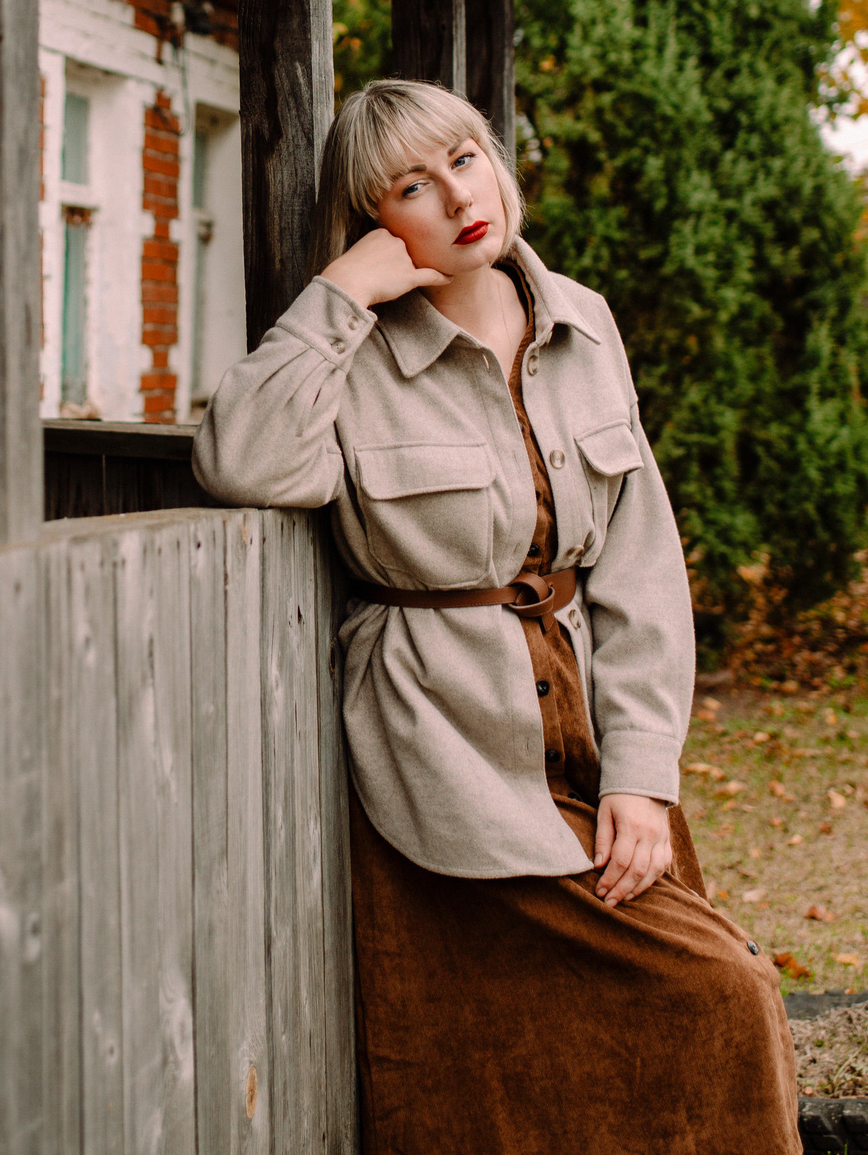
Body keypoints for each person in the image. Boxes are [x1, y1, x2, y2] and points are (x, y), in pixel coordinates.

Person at [193, 79, 800, 1154]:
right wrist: (340, 292)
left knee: (683, 1017)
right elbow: (241, 457)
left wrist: (643, 774)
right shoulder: (360, 349)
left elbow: (641, 564)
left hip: (588, 737)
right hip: (448, 754)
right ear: (379, 222)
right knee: (703, 1001)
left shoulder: (584, 319)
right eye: (411, 188)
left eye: (464, 158)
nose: (457, 197)